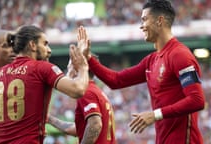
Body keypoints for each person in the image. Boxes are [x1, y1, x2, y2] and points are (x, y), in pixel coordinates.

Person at [81, 0, 205, 144]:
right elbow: (116, 80)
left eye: (144, 19)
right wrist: (89, 58)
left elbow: (197, 100)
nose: (141, 26)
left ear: (160, 20)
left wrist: (155, 115)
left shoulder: (179, 55)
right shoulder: (151, 60)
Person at [0, 25, 89, 144]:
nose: (49, 50)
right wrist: (83, 67)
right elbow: (78, 89)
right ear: (32, 45)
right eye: (45, 44)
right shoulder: (42, 68)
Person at [48, 57, 116, 144]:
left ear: (77, 68)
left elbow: (95, 124)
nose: (68, 68)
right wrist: (50, 119)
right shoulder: (96, 91)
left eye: (70, 65)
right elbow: (80, 129)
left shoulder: (86, 91)